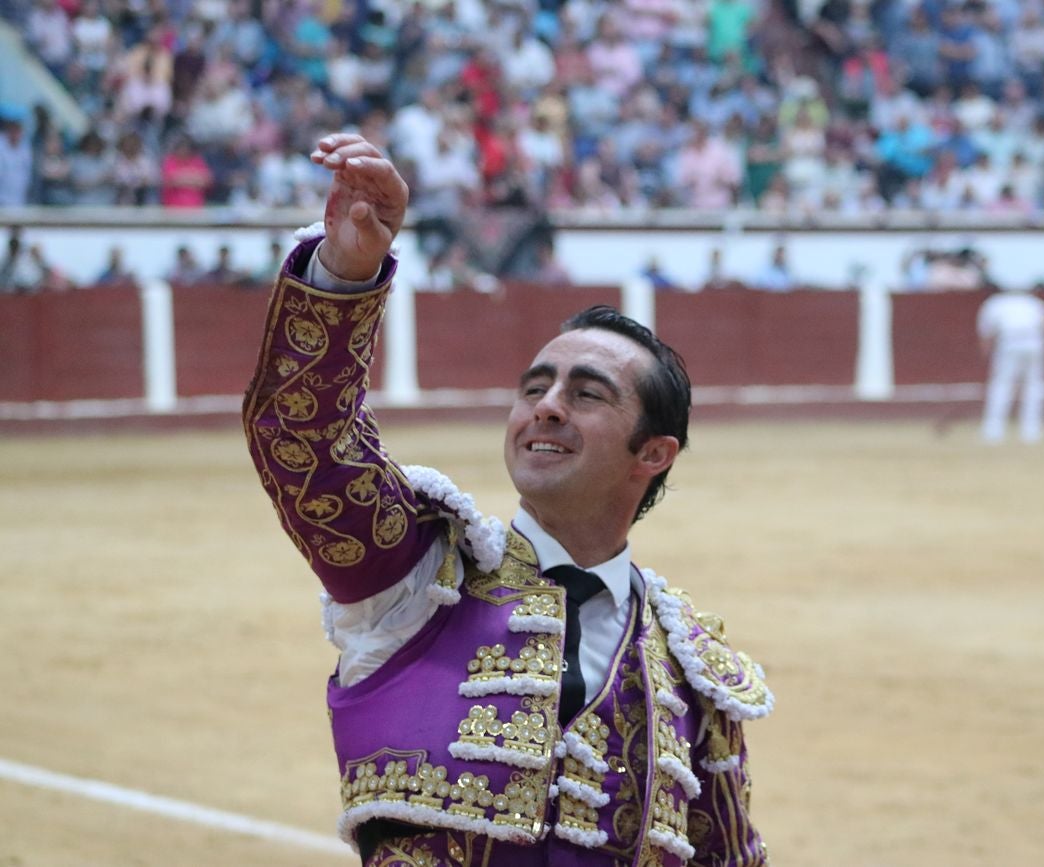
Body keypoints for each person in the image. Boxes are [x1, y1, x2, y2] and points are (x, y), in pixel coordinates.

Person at [242, 133, 772, 866]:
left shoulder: (691, 672)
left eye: (586, 394)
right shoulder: (417, 579)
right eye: (535, 388)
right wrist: (345, 274)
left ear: (653, 453)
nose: (546, 407)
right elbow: (305, 437)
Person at [976, 284, 1044, 444]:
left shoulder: (994, 303)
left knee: (1002, 385)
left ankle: (993, 431)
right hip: (1034, 342)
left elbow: (986, 332)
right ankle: (1031, 432)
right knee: (1034, 386)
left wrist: (985, 351)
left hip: (1010, 342)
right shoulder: (1031, 301)